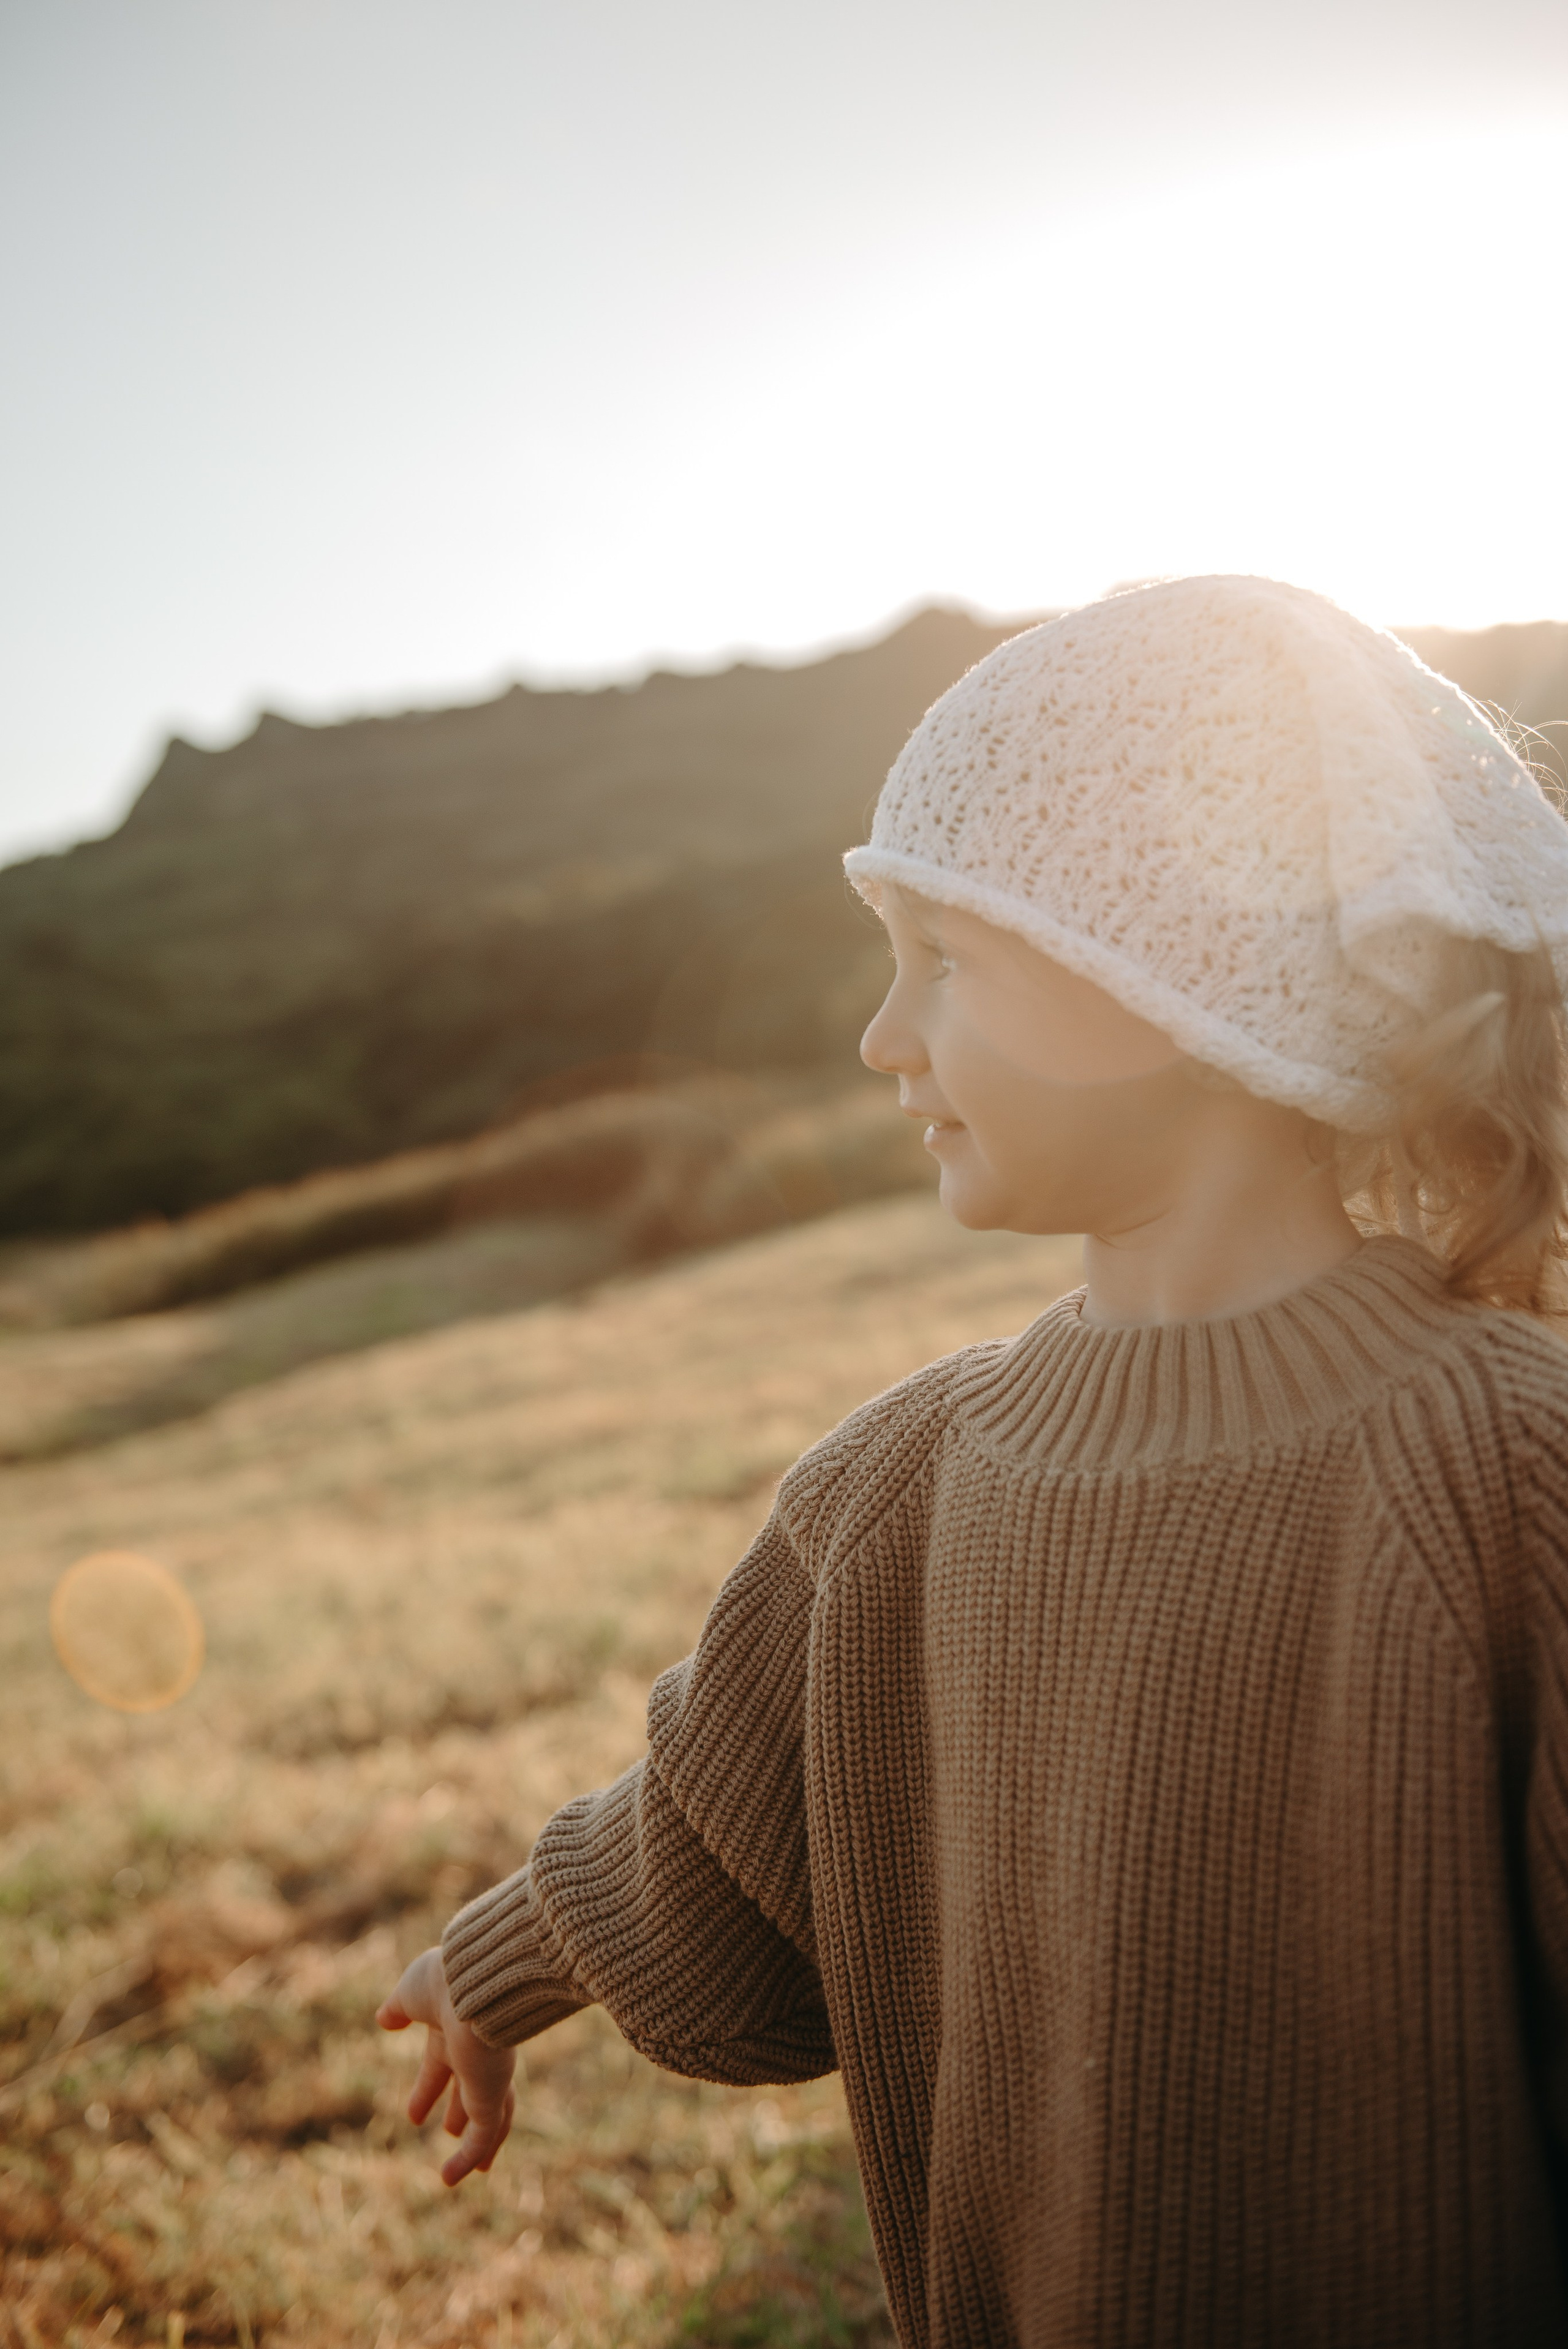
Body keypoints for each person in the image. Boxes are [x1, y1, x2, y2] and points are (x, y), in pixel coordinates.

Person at [377, 576, 1568, 2346]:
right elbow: (714, 1834)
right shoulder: (895, 1487)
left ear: (1171, 974)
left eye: (947, 957)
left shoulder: (1514, 1465)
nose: (882, 1034)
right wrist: (496, 1961)